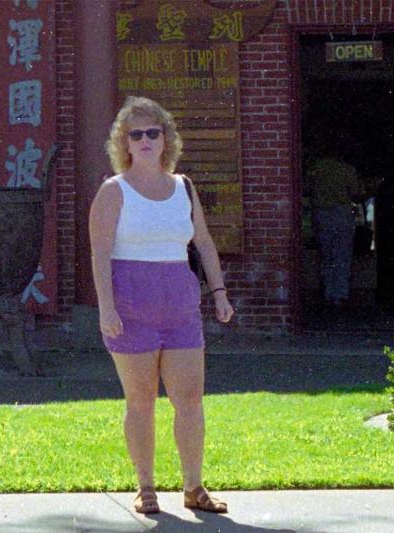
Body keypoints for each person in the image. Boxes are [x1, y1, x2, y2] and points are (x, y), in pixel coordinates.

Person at [89, 96, 234, 515]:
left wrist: (219, 292)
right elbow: (99, 254)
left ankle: (194, 487)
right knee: (141, 401)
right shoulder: (113, 191)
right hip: (131, 309)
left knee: (189, 398)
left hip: (181, 308)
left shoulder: (184, 187)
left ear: (166, 138)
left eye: (154, 132)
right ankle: (146, 486)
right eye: (137, 134)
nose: (147, 139)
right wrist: (106, 308)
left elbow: (203, 242)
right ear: (125, 143)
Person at [305, 152, 363, 307]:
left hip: (321, 212)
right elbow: (356, 192)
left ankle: (328, 292)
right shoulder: (347, 169)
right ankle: (340, 294)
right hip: (341, 212)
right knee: (342, 254)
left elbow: (307, 188)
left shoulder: (315, 168)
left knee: (326, 254)